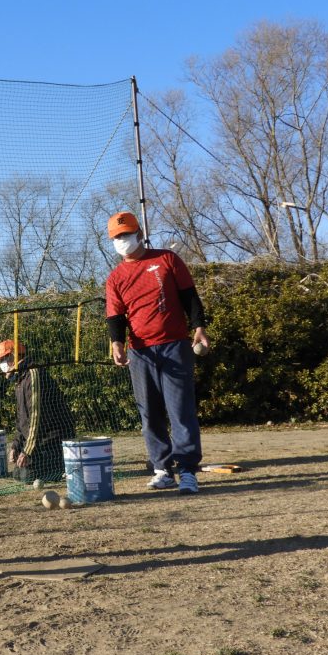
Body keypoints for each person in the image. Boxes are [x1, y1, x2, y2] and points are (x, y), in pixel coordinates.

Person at [104, 211, 210, 495]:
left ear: (139, 234)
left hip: (174, 345)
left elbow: (189, 296)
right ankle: (162, 469)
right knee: (149, 413)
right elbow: (115, 316)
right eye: (116, 237)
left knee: (180, 410)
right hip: (140, 353)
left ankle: (187, 471)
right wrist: (117, 343)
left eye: (126, 234)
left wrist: (199, 327)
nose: (121, 240)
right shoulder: (115, 278)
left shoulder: (167, 259)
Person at [0, 339, 75, 483]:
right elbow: (22, 420)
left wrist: (27, 451)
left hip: (52, 439)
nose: (0, 365)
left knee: (26, 476)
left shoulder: (32, 375)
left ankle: (58, 467)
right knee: (18, 474)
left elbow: (36, 418)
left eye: (2, 360)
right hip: (39, 440)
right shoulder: (20, 379)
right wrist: (16, 446)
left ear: (13, 356)